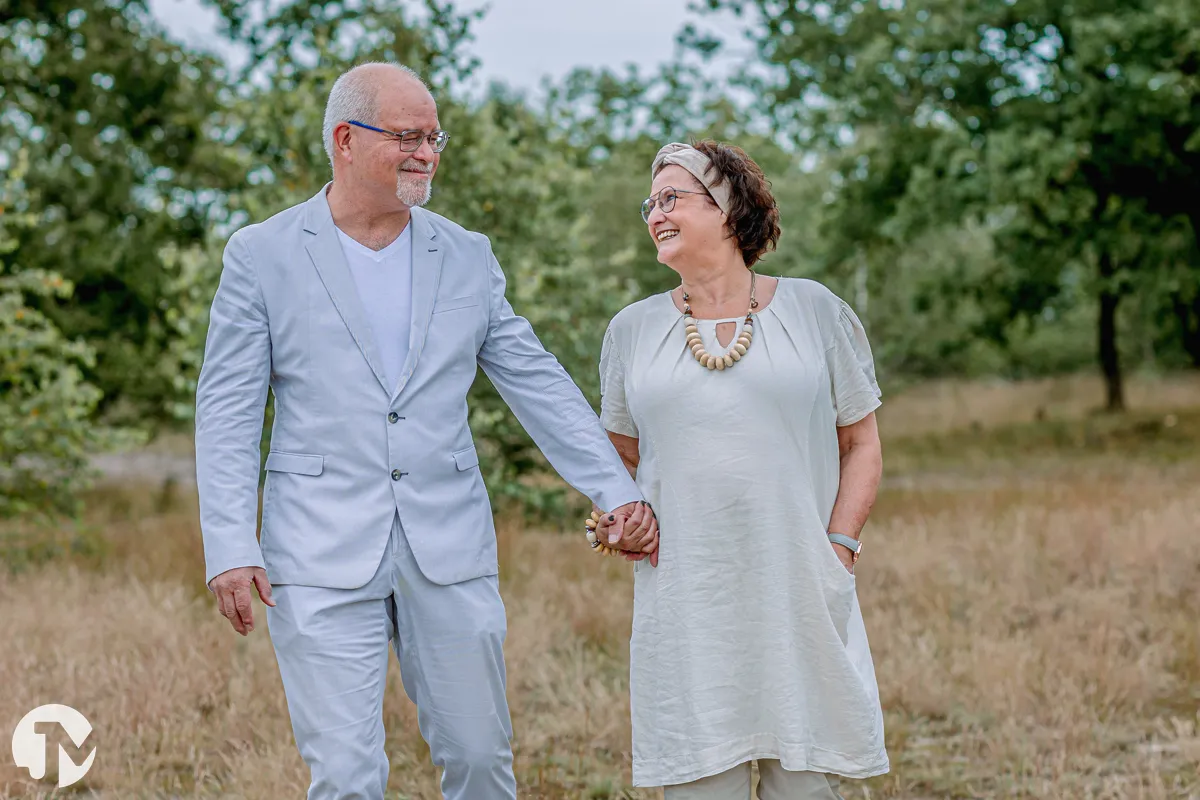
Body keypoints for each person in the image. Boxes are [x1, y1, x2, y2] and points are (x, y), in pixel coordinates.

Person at [193, 62, 658, 800]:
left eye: (434, 137)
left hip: (449, 542)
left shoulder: (466, 254)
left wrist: (616, 489)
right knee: (346, 778)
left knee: (479, 761)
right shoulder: (262, 254)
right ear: (345, 140)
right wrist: (229, 544)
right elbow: (228, 408)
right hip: (314, 550)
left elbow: (533, 379)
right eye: (407, 136)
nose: (427, 153)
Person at [593, 140, 890, 799]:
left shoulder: (816, 311)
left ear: (728, 207)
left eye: (671, 197)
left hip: (799, 586)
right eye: (650, 203)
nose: (654, 213)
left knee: (807, 785)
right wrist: (615, 521)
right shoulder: (631, 332)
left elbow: (861, 443)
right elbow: (619, 460)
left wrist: (838, 550)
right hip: (688, 600)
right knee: (702, 787)